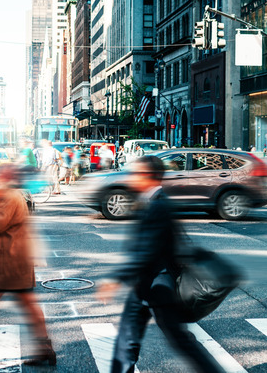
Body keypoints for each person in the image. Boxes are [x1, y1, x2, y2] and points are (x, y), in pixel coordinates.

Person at [97, 156, 225, 373]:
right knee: (128, 339)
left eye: (136, 173)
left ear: (149, 177)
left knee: (180, 341)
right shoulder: (151, 201)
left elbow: (148, 251)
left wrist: (116, 280)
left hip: (158, 285)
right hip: (146, 283)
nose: (131, 177)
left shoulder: (159, 205)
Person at [0, 165, 55, 366]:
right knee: (25, 305)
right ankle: (45, 349)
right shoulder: (4, 194)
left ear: (6, 177)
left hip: (8, 262)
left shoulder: (9, 196)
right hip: (9, 261)